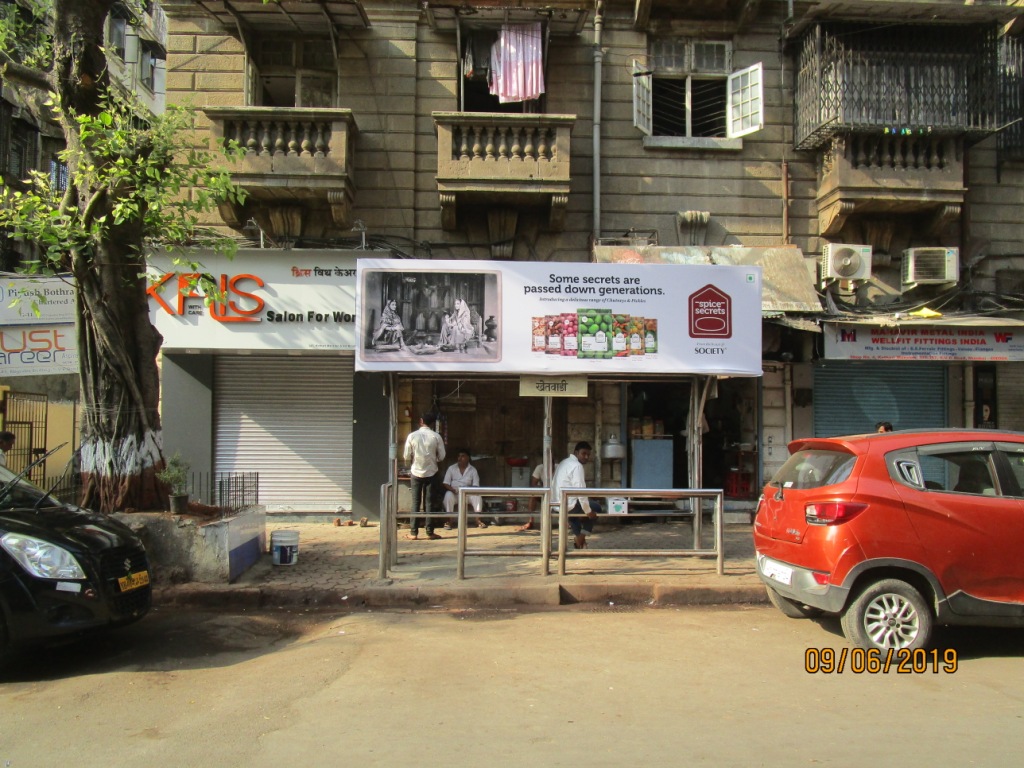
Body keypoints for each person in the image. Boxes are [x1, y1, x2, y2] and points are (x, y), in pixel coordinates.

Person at [403, 413, 446, 540]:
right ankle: (429, 532)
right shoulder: (436, 436)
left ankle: (413, 532)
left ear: (421, 421)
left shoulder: (412, 436)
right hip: (431, 472)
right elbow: (442, 456)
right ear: (432, 423)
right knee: (429, 503)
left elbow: (406, 455)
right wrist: (434, 460)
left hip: (416, 472)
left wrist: (411, 461)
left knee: (415, 502)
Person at [551, 441, 601, 550]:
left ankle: (579, 538)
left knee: (577, 512)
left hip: (557, 503)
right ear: (576, 452)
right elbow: (581, 492)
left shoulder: (564, 462)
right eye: (583, 454)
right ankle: (580, 539)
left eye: (588, 455)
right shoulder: (577, 466)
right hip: (568, 504)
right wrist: (588, 511)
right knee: (596, 508)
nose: (586, 457)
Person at [441, 448, 486, 529]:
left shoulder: (473, 470)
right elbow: (446, 483)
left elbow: (476, 485)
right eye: (459, 456)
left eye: (463, 456)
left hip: (467, 494)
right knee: (448, 495)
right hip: (455, 493)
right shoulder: (451, 468)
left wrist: (468, 490)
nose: (460, 458)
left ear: (468, 458)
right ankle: (449, 521)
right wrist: (452, 490)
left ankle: (478, 520)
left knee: (477, 496)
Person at [516, 460, 548, 532]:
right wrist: (541, 488)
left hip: (556, 493)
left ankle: (566, 521)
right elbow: (533, 485)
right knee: (533, 496)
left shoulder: (558, 467)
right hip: (544, 492)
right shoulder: (540, 468)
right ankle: (530, 521)